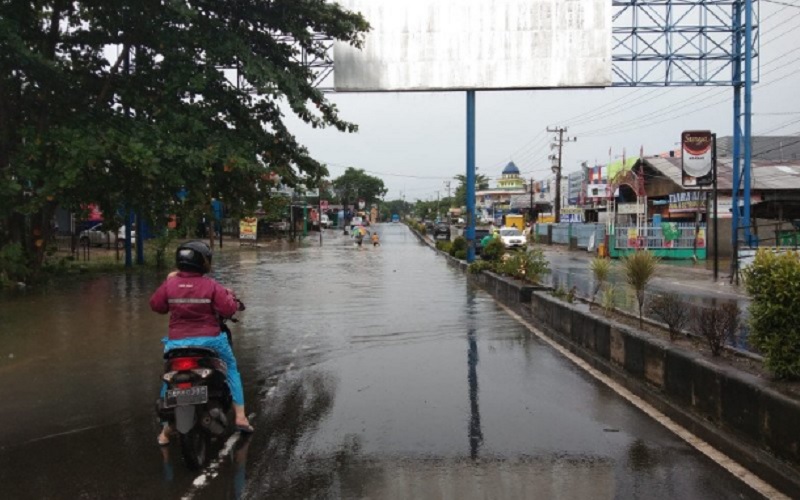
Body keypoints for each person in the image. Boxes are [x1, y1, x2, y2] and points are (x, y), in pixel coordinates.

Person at [150, 240, 253, 445]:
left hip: (176, 345)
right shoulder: (211, 285)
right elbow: (228, 310)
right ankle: (240, 416)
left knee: (168, 378)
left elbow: (157, 306)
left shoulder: (170, 284)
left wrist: (168, 282)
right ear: (204, 262)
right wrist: (230, 297)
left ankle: (164, 431)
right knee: (231, 368)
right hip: (210, 342)